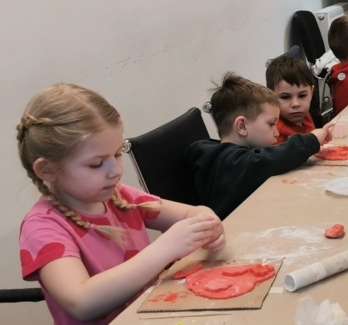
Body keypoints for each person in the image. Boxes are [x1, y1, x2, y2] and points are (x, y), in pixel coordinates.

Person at [17, 84, 226, 324]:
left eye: (117, 154)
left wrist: (207, 223)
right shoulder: (42, 228)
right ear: (47, 170)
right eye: (96, 164)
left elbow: (190, 213)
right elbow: (81, 302)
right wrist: (164, 249)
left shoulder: (119, 196)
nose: (115, 171)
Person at [186, 73, 335, 219]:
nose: (276, 132)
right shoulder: (231, 165)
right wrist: (312, 140)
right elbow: (269, 160)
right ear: (242, 126)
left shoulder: (228, 158)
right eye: (271, 124)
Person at [266, 55, 316, 144]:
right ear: (271, 96)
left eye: (302, 96)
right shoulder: (276, 136)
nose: (295, 104)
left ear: (311, 92)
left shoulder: (303, 115)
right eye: (285, 97)